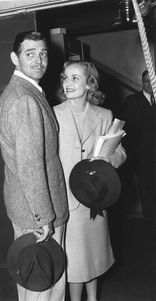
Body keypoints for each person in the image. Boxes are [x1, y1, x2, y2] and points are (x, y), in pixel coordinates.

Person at [0, 31, 68, 301]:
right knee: (44, 288)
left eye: (43, 53)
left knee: (36, 286)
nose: (39, 60)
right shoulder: (24, 99)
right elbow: (30, 166)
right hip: (36, 214)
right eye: (30, 53)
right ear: (15, 58)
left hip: (30, 208)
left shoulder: (27, 92)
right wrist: (42, 217)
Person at [53, 60, 126, 301]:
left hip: (95, 196)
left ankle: (93, 299)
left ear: (89, 84)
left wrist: (107, 162)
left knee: (95, 256)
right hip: (68, 200)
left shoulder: (105, 115)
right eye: (66, 77)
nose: (68, 83)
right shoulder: (54, 114)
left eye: (75, 78)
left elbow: (120, 151)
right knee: (75, 260)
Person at [121, 70, 156, 242]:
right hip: (143, 155)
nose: (149, 85)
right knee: (147, 188)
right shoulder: (132, 101)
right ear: (142, 83)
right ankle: (151, 222)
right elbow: (127, 130)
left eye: (152, 81)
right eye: (146, 81)